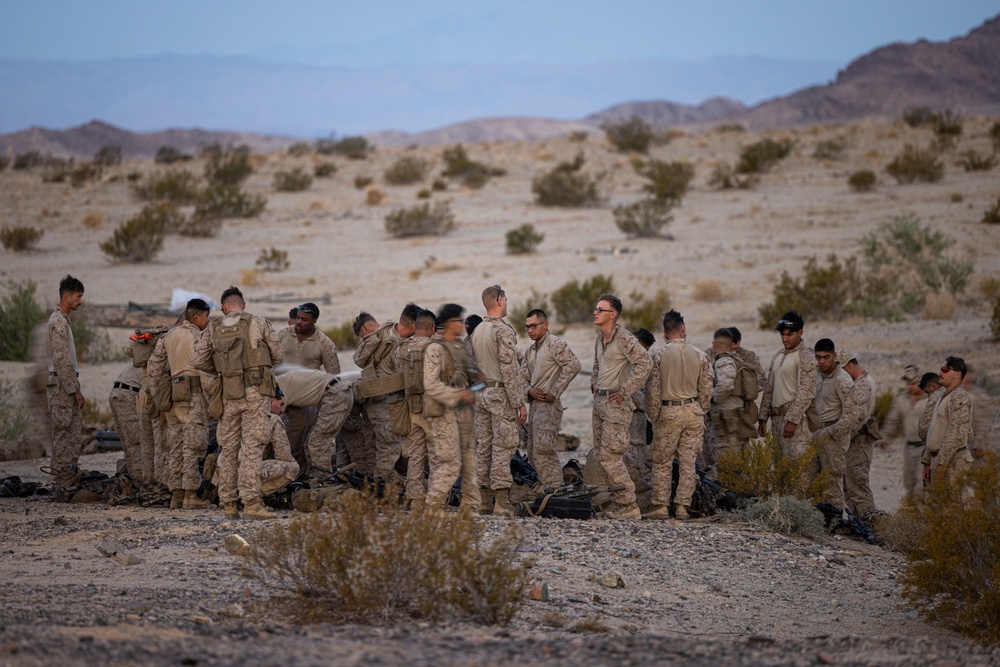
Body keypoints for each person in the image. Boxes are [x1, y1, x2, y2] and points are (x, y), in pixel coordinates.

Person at [194, 286, 283, 520]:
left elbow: (200, 361)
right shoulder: (259, 322)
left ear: (223, 307)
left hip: (228, 394)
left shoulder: (213, 328)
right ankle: (252, 503)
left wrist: (225, 370)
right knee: (252, 448)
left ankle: (229, 503)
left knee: (229, 449)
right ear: (243, 305)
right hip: (255, 393)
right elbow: (277, 355)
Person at [643, 310, 711, 521]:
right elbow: (707, 389)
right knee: (689, 462)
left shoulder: (659, 356)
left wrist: (654, 416)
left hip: (669, 411)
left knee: (662, 461)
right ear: (683, 329)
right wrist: (702, 409)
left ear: (664, 333)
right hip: (693, 412)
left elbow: (653, 391)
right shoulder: (700, 355)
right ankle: (682, 506)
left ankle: (661, 506)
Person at [591, 293, 652, 520]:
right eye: (596, 309)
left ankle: (629, 505)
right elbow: (597, 364)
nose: (595, 313)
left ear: (613, 314)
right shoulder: (600, 339)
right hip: (600, 402)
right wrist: (593, 384)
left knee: (610, 455)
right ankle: (618, 503)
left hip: (617, 405)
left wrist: (626, 390)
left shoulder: (624, 338)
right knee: (600, 455)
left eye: (600, 310)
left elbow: (645, 363)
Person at [147, 298, 213, 510]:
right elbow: (204, 370)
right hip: (193, 396)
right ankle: (191, 496)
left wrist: (157, 394)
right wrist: (212, 400)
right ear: (196, 317)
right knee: (193, 445)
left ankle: (176, 495)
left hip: (173, 397)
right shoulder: (197, 337)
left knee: (175, 445)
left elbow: (154, 366)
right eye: (206, 317)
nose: (208, 321)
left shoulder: (170, 335)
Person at [470, 285, 528, 516]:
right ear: (500, 301)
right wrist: (519, 403)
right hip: (499, 394)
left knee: (484, 447)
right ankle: (502, 501)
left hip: (481, 395)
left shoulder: (478, 330)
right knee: (503, 447)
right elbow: (510, 369)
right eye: (506, 299)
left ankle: (484, 499)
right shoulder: (502, 331)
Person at [352, 303, 422, 481]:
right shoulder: (401, 346)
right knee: (389, 445)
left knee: (373, 444)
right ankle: (383, 482)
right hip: (386, 402)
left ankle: (371, 481)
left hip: (372, 399)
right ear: (414, 326)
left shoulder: (383, 332)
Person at [423, 304, 478, 513]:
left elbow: (473, 375)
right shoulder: (435, 348)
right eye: (458, 321)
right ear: (448, 324)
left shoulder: (459, 346)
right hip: (444, 412)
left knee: (470, 459)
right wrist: (458, 396)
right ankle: (432, 507)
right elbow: (431, 384)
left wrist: (477, 381)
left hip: (464, 412)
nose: (462, 324)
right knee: (450, 463)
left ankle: (471, 505)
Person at [277, 301, 340, 472]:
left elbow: (333, 377)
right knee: (280, 442)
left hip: (306, 402)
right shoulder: (282, 335)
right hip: (280, 399)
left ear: (314, 321)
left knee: (303, 443)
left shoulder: (324, 344)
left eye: (304, 319)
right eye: (297, 318)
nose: (299, 322)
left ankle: (303, 479)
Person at [523, 308, 581, 490]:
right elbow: (521, 377)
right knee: (533, 453)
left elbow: (573, 364)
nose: (530, 330)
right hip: (534, 406)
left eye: (533, 326)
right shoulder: (530, 351)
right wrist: (529, 390)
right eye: (527, 327)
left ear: (545, 325)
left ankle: (555, 490)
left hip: (548, 406)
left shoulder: (555, 344)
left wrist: (555, 391)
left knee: (544, 451)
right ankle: (548, 488)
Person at [273, 366, 357, 474]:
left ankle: (325, 484)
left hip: (336, 396)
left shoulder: (279, 388)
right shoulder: (281, 382)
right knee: (310, 444)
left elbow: (275, 421)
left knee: (317, 444)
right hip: (336, 393)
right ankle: (315, 479)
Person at [809, 338, 858, 518]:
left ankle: (837, 524)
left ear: (835, 356)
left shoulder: (842, 379)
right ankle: (815, 520)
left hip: (833, 436)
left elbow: (851, 415)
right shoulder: (815, 374)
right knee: (811, 480)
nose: (822, 361)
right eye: (818, 357)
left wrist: (830, 433)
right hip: (815, 432)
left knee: (832, 484)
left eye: (826, 357)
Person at [46, 275, 85, 498]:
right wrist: (74, 389)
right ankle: (60, 485)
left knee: (70, 435)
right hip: (62, 385)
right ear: (67, 296)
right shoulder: (58, 322)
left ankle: (62, 481)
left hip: (64, 385)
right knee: (63, 436)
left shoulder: (62, 321)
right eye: (78, 297)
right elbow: (62, 360)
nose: (80, 301)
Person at [758, 311, 817, 458]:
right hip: (776, 420)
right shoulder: (778, 356)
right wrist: (762, 418)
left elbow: (806, 391)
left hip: (796, 423)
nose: (785, 338)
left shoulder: (805, 357)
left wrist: (792, 420)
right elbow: (769, 389)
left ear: (800, 332)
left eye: (789, 335)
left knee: (797, 469)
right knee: (779, 469)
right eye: (782, 335)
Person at [394, 309, 437, 508]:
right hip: (431, 409)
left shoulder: (401, 348)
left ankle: (414, 497)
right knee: (436, 453)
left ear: (415, 326)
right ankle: (435, 498)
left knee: (415, 454)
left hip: (409, 408)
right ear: (433, 328)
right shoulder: (435, 347)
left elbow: (397, 375)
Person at [920, 356, 975, 485]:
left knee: (952, 503)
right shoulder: (943, 396)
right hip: (938, 460)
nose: (940, 373)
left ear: (957, 374)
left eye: (945, 370)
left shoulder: (959, 397)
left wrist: (941, 466)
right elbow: (934, 431)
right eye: (940, 369)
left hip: (953, 463)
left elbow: (955, 434)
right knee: (936, 503)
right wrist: (927, 461)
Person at [839, 350, 881, 520]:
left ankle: (870, 525)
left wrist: (841, 437)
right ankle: (858, 524)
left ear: (848, 366)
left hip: (858, 443)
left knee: (858, 487)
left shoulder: (863, 385)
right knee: (848, 486)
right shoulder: (860, 382)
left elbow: (858, 418)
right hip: (853, 442)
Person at [881, 365, 929, 499]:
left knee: (923, 486)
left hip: (926, 449)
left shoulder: (931, 399)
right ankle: (911, 516)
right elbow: (893, 420)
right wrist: (885, 438)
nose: (910, 386)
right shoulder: (902, 399)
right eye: (908, 383)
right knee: (909, 484)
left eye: (913, 383)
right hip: (909, 448)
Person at [625, 328, 655, 493]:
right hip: (631, 416)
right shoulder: (629, 362)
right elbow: (634, 392)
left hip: (637, 417)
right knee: (633, 454)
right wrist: (653, 408)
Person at [107, 362, 143, 479]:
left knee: (128, 443)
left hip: (118, 393)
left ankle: (132, 478)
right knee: (135, 441)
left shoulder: (146, 357)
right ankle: (138, 478)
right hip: (127, 394)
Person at [259, 395, 300, 495]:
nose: (282, 410)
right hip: (247, 471)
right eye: (281, 405)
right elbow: (283, 454)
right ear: (272, 402)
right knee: (293, 467)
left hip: (225, 470)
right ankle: (253, 497)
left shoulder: (246, 414)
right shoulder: (273, 419)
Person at [962, 364, 995, 458]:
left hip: (972, 446)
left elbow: (983, 422)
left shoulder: (978, 396)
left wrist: (979, 445)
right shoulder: (957, 394)